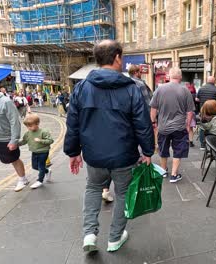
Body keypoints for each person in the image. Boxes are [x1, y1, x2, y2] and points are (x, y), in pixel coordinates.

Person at [64, 40, 155, 253]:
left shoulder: (81, 88)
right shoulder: (132, 88)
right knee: (123, 193)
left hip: (94, 155)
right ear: (116, 57)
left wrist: (73, 152)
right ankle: (114, 238)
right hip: (124, 156)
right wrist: (148, 151)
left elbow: (73, 123)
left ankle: (89, 234)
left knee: (94, 188)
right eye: (121, 57)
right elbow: (143, 125)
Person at [150, 67, 195, 183]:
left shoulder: (159, 90)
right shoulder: (185, 91)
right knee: (178, 149)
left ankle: (164, 171)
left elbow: (153, 108)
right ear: (180, 77)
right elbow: (190, 112)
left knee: (163, 148)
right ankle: (174, 175)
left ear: (169, 76)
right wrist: (188, 125)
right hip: (179, 127)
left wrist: (153, 122)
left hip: (163, 127)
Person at [0, 77, 28, 192]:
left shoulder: (5, 102)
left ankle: (23, 179)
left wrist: (14, 140)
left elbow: (15, 122)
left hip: (4, 140)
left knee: (14, 160)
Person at [19, 113, 54, 189]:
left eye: (30, 126)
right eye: (27, 126)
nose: (29, 128)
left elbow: (50, 140)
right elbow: (24, 141)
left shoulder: (43, 132)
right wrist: (17, 144)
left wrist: (41, 140)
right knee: (34, 166)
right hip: (34, 152)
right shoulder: (28, 133)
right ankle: (47, 171)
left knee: (41, 167)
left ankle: (39, 181)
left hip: (43, 152)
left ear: (37, 123)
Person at [196, 76, 216, 149]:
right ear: (214, 81)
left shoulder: (201, 88)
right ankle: (212, 144)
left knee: (202, 127)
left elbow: (197, 99)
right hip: (213, 111)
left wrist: (203, 101)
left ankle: (202, 144)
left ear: (207, 81)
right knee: (213, 127)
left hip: (203, 110)